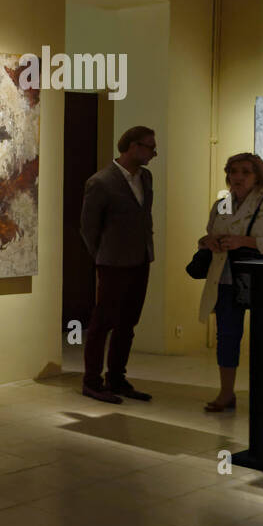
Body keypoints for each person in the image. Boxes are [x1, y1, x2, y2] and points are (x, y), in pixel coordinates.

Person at [79, 126, 157, 403]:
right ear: (133, 147)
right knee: (103, 323)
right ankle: (92, 381)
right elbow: (88, 228)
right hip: (112, 262)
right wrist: (103, 255)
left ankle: (117, 378)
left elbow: (143, 216)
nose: (154, 153)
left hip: (140, 259)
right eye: (150, 147)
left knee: (128, 322)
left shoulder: (145, 178)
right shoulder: (101, 182)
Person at [196, 153, 263, 411]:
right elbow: (208, 234)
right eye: (233, 171)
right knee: (227, 336)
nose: (237, 177)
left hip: (262, 281)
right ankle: (226, 393)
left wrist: (246, 242)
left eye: (245, 172)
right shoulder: (222, 204)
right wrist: (209, 242)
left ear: (257, 177)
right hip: (226, 279)